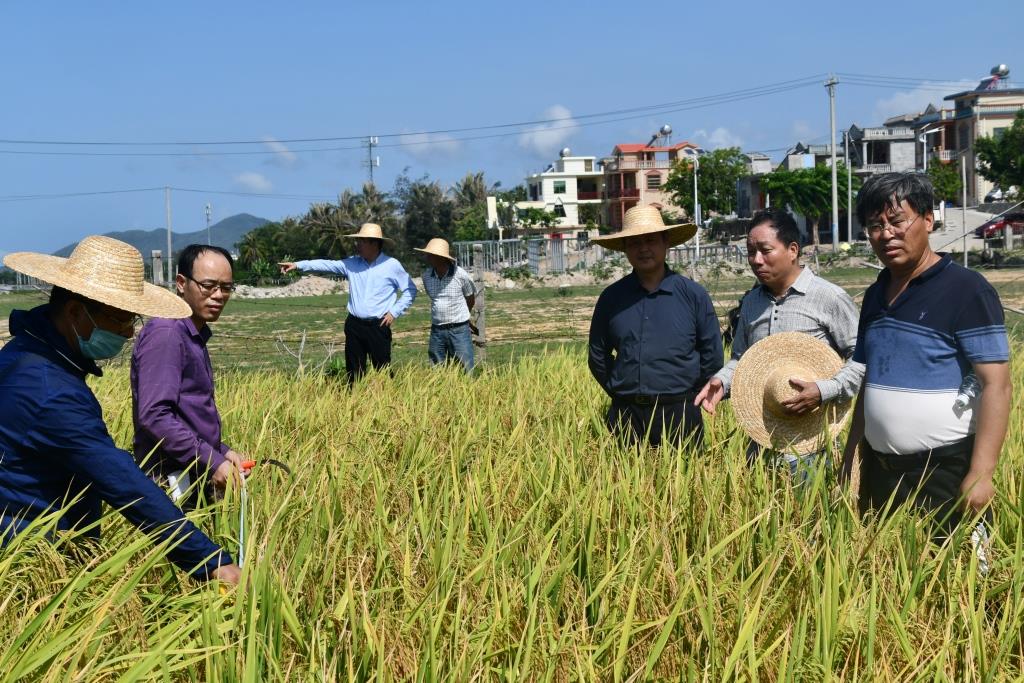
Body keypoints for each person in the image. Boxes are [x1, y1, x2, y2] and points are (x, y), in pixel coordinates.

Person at [0, 236, 240, 584]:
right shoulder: (50, 389)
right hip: (26, 552)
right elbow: (122, 482)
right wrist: (211, 562)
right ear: (75, 312)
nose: (129, 333)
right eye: (120, 318)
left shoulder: (27, 353)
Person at [840, 172, 1011, 537]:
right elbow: (870, 382)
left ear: (928, 220)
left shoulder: (966, 290)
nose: (886, 234)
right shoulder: (874, 296)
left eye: (897, 221)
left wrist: (981, 474)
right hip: (880, 471)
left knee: (955, 567)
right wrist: (852, 455)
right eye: (874, 226)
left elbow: (996, 385)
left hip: (945, 471)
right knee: (883, 567)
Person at [694, 208, 864, 478]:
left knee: (812, 504)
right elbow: (742, 359)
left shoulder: (828, 297)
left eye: (765, 250)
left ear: (793, 250)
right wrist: (723, 382)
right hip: (760, 441)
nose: (756, 260)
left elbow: (863, 357)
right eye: (751, 252)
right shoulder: (751, 302)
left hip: (813, 445)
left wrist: (825, 390)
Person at [588, 205, 723, 447]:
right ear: (625, 248)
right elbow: (598, 355)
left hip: (680, 412)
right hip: (626, 414)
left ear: (666, 243)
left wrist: (688, 395)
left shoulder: (693, 295)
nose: (643, 249)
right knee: (622, 472)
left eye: (650, 240)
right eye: (634, 243)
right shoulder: (611, 297)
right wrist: (620, 389)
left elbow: (712, 355)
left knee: (684, 472)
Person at [131, 244, 247, 507]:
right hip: (171, 484)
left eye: (226, 287)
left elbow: (188, 414)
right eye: (208, 286)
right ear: (182, 283)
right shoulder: (167, 334)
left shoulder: (191, 333)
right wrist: (213, 461)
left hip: (192, 475)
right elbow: (155, 415)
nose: (218, 295)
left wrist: (222, 452)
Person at [279, 223, 417, 384]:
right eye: (357, 241)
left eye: (362, 241)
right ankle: (354, 396)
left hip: (378, 326)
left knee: (382, 368)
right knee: (354, 370)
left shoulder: (391, 265)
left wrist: (394, 312)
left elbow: (410, 289)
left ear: (374, 243)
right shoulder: (352, 264)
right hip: (354, 325)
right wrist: (298, 265)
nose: (357, 245)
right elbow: (327, 265)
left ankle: (387, 395)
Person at [414, 238, 476, 372]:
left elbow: (470, 298)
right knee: (437, 366)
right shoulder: (427, 276)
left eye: (431, 255)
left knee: (465, 366)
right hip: (437, 330)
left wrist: (464, 314)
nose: (428, 257)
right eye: (428, 254)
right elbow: (434, 299)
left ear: (441, 257)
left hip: (459, 329)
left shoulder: (460, 275)